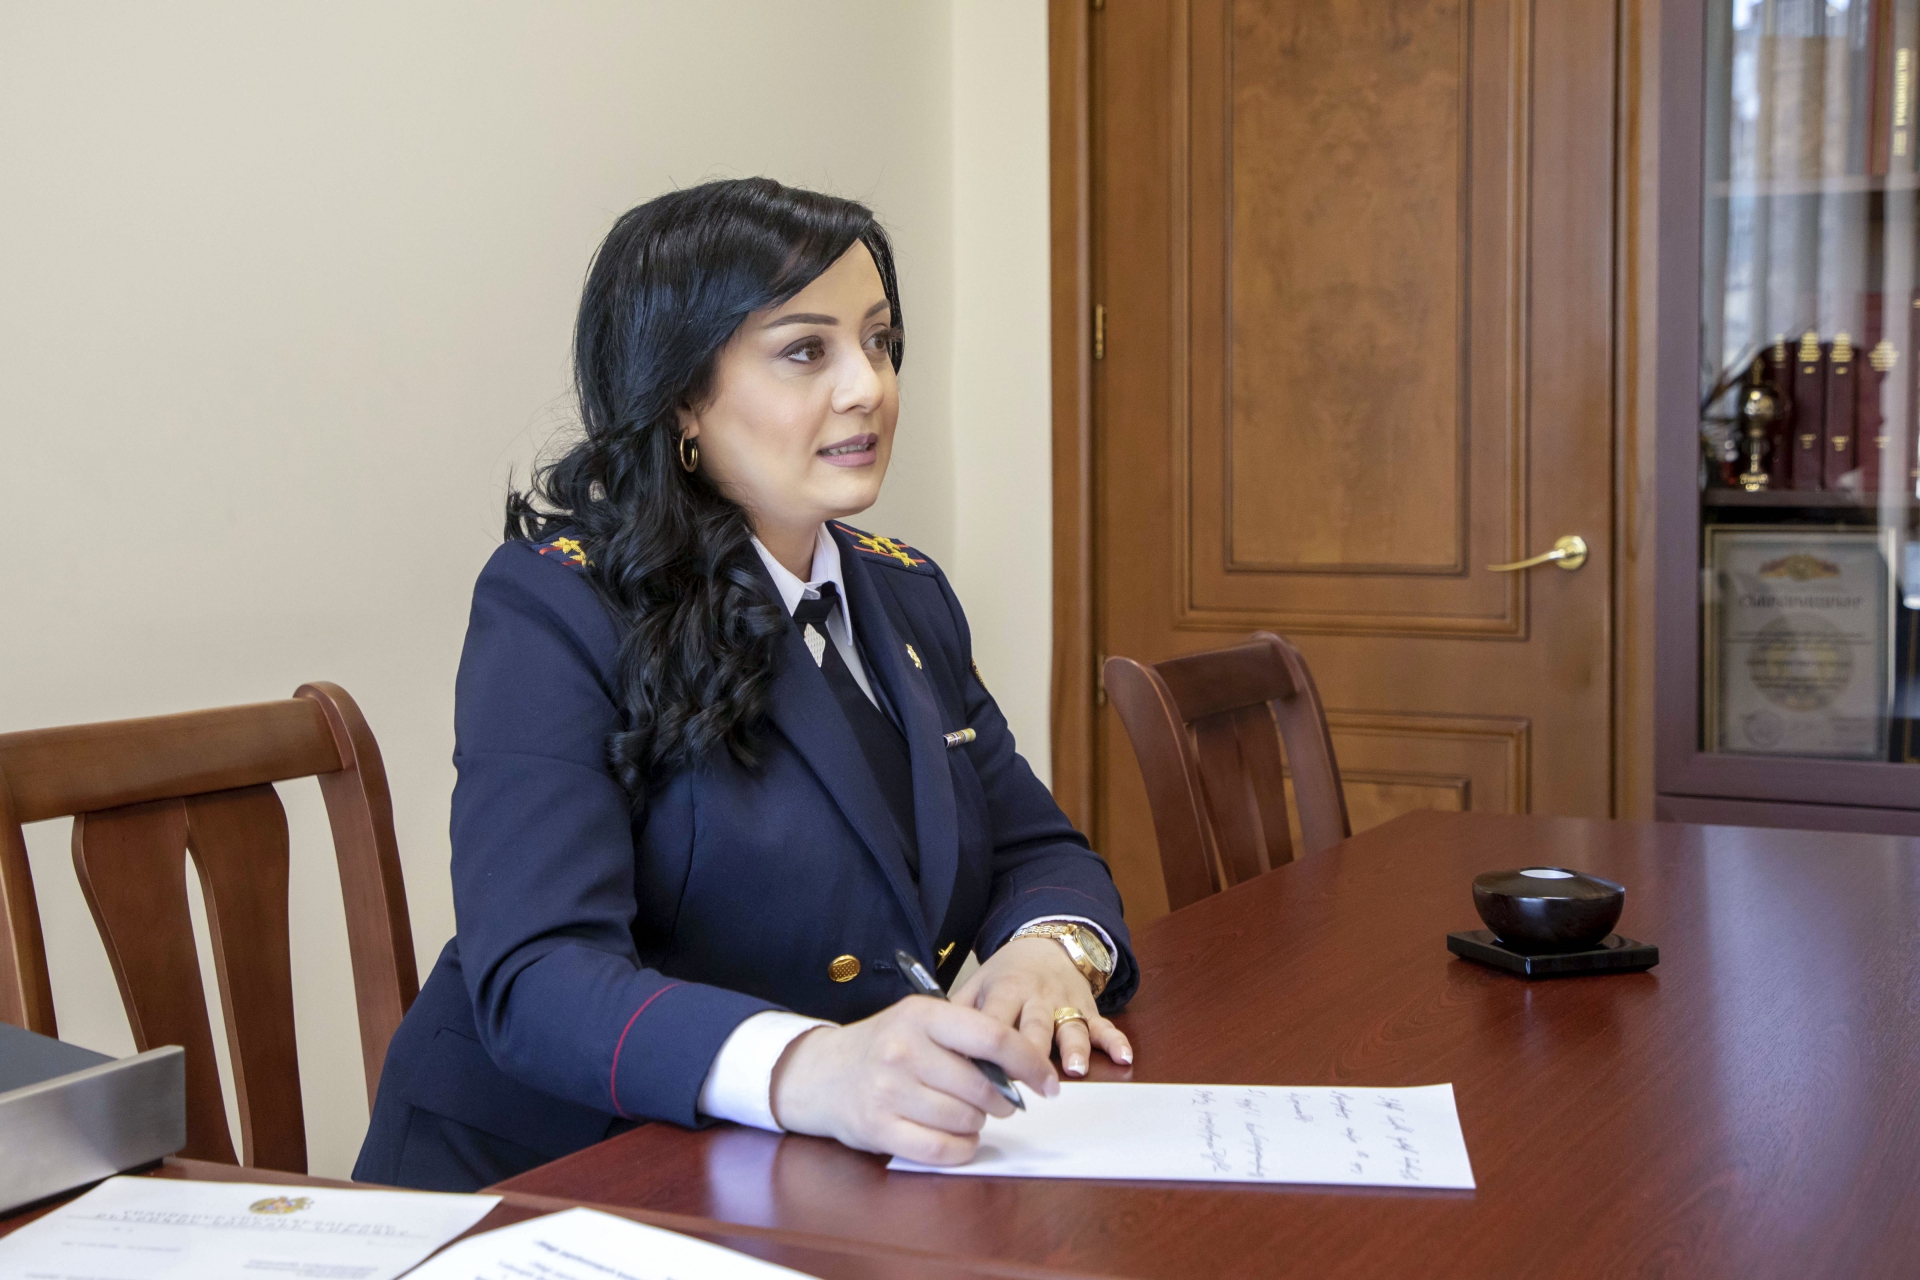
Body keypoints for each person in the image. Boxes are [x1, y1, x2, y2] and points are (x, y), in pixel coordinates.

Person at [354, 178, 1137, 1192]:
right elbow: (538, 974)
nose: (868, 386)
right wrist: (810, 1067)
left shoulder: (907, 593)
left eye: (881, 341)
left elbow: (1038, 847)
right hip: (552, 1173)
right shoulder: (558, 605)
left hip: (789, 1174)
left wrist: (1047, 952)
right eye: (806, 351)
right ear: (683, 394)